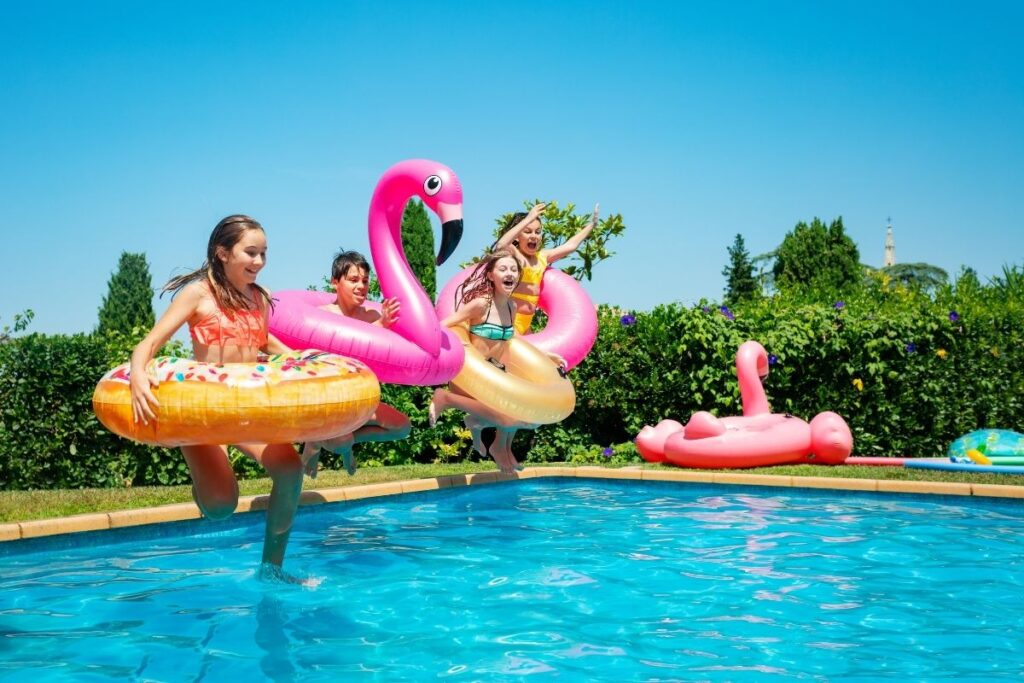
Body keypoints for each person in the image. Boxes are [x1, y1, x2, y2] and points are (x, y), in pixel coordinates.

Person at [129, 215, 306, 581]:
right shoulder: (198, 293)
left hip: (246, 408)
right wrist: (138, 377)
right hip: (205, 413)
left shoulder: (260, 297)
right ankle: (195, 457)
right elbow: (148, 344)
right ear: (222, 253)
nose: (259, 262)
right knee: (221, 506)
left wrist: (299, 359)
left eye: (263, 254)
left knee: (290, 470)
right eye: (251, 253)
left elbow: (260, 342)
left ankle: (271, 570)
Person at [429, 249, 564, 474]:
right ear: (491, 275)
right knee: (510, 419)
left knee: (532, 417)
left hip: (494, 378)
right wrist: (456, 345)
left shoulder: (511, 307)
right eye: (502, 269)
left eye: (513, 269)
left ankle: (480, 426)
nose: (509, 273)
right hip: (471, 380)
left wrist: (544, 356)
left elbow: (513, 339)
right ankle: (446, 398)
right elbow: (446, 323)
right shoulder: (481, 304)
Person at [301, 250, 411, 477]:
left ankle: (330, 441)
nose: (361, 286)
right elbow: (348, 345)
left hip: (360, 398)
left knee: (402, 428)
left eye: (364, 280)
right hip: (332, 401)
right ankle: (319, 443)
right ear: (335, 282)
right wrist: (381, 326)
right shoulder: (323, 316)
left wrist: (385, 323)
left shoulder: (371, 315)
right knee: (341, 442)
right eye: (353, 280)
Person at [494, 201, 599, 334]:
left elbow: (570, 246)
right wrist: (529, 219)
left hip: (527, 323)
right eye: (527, 231)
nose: (533, 236)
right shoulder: (515, 254)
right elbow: (500, 245)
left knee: (540, 354)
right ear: (517, 237)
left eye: (538, 232)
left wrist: (591, 225)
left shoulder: (542, 257)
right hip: (510, 320)